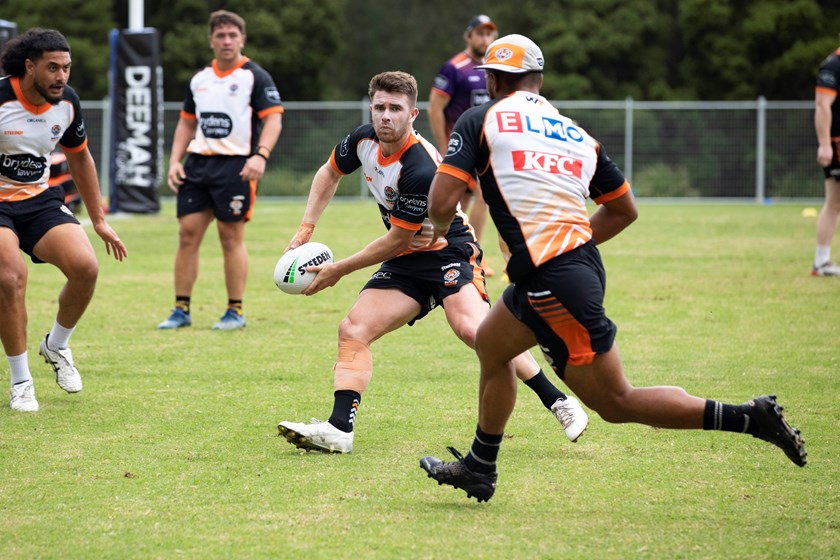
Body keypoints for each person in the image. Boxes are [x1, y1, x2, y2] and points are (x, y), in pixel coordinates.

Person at [419, 34, 807, 502]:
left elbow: (442, 200)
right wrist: (570, 243)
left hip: (553, 279)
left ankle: (750, 418)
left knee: (616, 402)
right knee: (491, 344)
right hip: (569, 269)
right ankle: (480, 467)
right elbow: (625, 209)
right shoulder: (577, 135)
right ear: (539, 81)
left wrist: (439, 230)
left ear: (494, 80)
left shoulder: (480, 118)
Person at [276, 71, 587, 454]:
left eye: (395, 109)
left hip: (448, 252)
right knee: (353, 329)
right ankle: (340, 429)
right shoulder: (362, 140)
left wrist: (339, 269)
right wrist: (307, 226)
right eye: (379, 107)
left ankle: (559, 402)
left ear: (413, 114)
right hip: (406, 260)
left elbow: (397, 238)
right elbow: (329, 173)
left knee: (476, 333)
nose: (385, 116)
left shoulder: (420, 166)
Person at [0, 28, 127, 412]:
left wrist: (100, 219)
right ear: (29, 66)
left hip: (38, 200)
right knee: (9, 276)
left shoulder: (67, 103)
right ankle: (21, 381)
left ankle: (55, 346)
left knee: (86, 267)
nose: (61, 76)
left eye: (66, 68)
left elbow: (80, 158)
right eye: (52, 67)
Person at [158, 10, 283, 330]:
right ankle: (180, 309)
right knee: (187, 236)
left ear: (242, 39)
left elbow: (273, 119)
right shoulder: (200, 79)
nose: (226, 41)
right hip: (198, 165)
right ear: (211, 40)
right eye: (220, 35)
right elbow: (186, 124)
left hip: (236, 167)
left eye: (232, 35)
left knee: (230, 238)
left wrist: (261, 156)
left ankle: (235, 311)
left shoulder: (255, 76)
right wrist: (175, 161)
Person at [428, 15, 498, 275]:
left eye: (490, 34)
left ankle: (469, 251)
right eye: (480, 33)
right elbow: (435, 109)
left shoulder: (494, 68)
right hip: (462, 148)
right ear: (468, 36)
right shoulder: (455, 67)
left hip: (486, 148)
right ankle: (461, 250)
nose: (485, 39)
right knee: (460, 201)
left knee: (479, 196)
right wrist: (446, 147)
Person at [813, 39, 840, 277]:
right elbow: (822, 106)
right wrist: (824, 144)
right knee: (834, 201)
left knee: (834, 202)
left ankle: (822, 261)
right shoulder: (833, 66)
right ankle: (821, 262)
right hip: (838, 142)